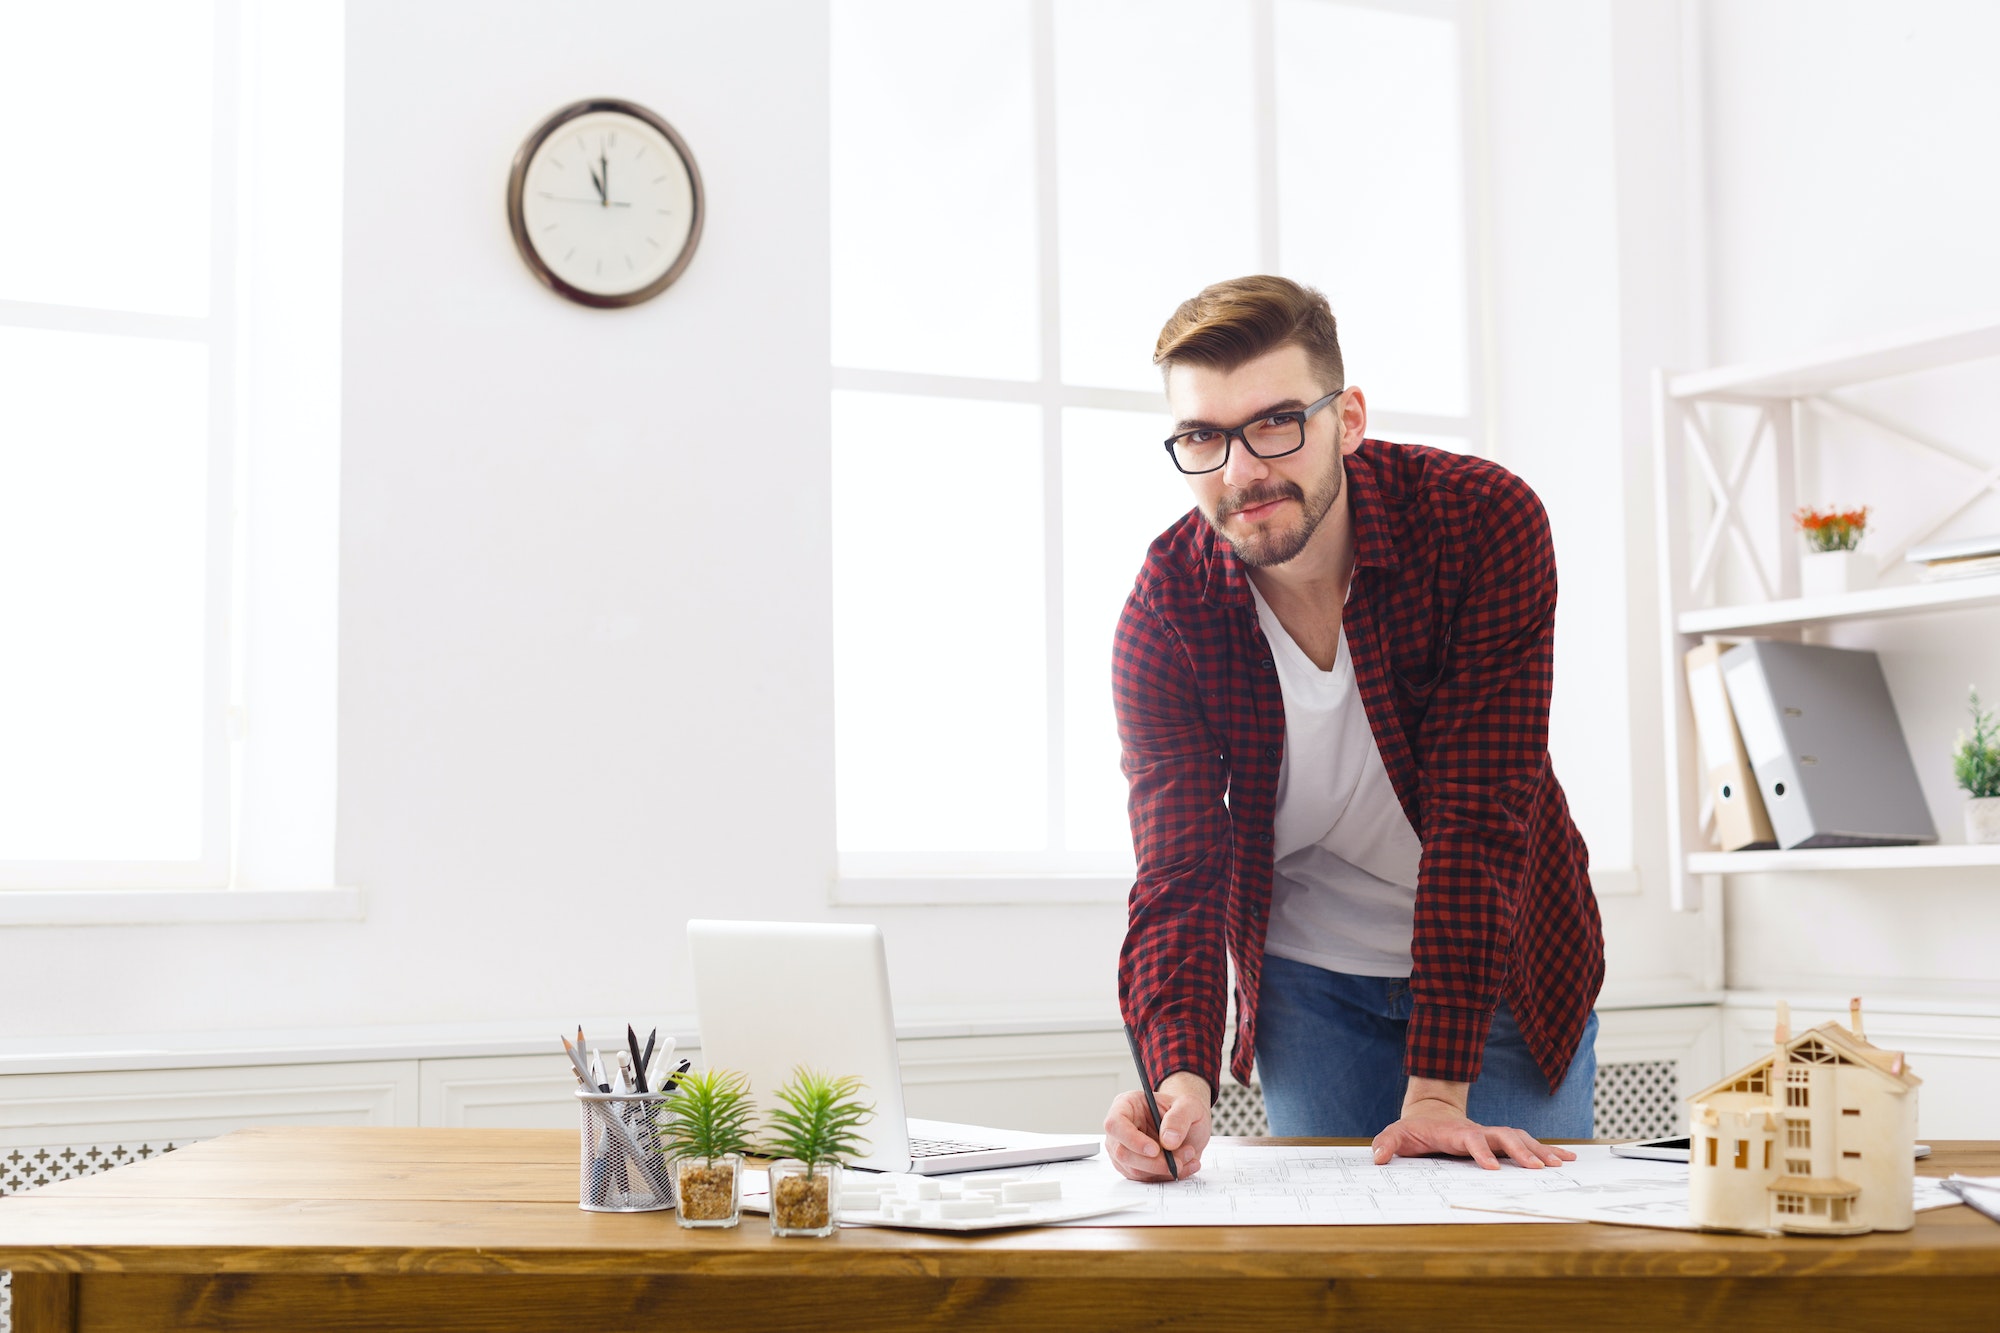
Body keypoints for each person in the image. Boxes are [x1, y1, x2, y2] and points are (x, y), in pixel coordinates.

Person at [1103, 275, 1604, 1182]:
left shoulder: (1482, 522)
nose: (1241, 471)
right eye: (1203, 436)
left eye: (1276, 423)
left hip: (1500, 970)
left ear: (1349, 419)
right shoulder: (1167, 608)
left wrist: (1438, 1095)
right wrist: (1177, 1077)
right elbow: (1177, 871)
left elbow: (1480, 813)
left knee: (1515, 1243)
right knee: (1338, 1253)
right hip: (1309, 985)